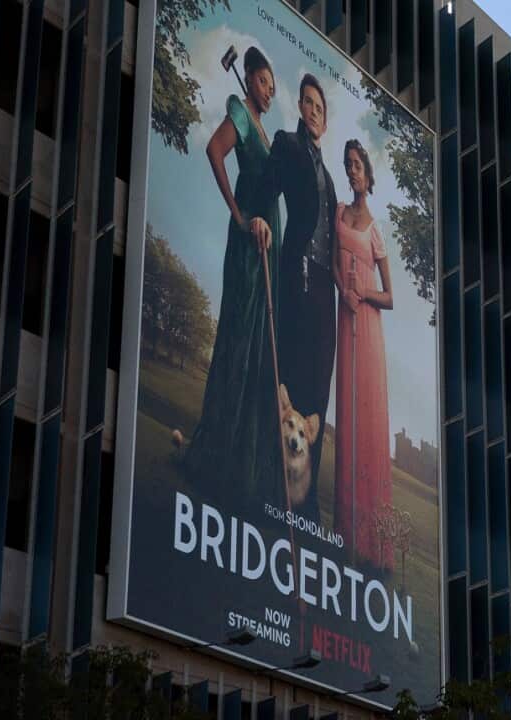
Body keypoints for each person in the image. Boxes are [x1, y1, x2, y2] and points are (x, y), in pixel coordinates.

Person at [182, 46, 281, 501]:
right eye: (263, 80)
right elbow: (214, 151)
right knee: (239, 344)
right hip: (247, 249)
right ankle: (216, 459)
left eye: (272, 84)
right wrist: (241, 216)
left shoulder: (262, 128)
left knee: (257, 348)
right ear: (249, 78)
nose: (269, 88)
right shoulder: (241, 114)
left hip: (267, 251)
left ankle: (241, 465)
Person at [251, 74, 338, 521]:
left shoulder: (330, 177)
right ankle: (276, 485)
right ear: (300, 107)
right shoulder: (286, 144)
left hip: (328, 292)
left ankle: (306, 499)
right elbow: (268, 186)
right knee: (294, 381)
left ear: (326, 118)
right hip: (298, 275)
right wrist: (261, 219)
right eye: (307, 102)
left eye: (320, 107)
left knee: (319, 391)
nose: (313, 111)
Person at [333, 139, 396, 570]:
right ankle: (343, 534)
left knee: (368, 422)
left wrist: (364, 293)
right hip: (344, 319)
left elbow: (391, 297)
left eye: (358, 166)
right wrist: (343, 290)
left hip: (368, 327)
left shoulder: (375, 229)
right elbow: (336, 263)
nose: (353, 171)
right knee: (347, 415)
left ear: (369, 178)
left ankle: (371, 545)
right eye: (348, 165)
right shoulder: (338, 212)